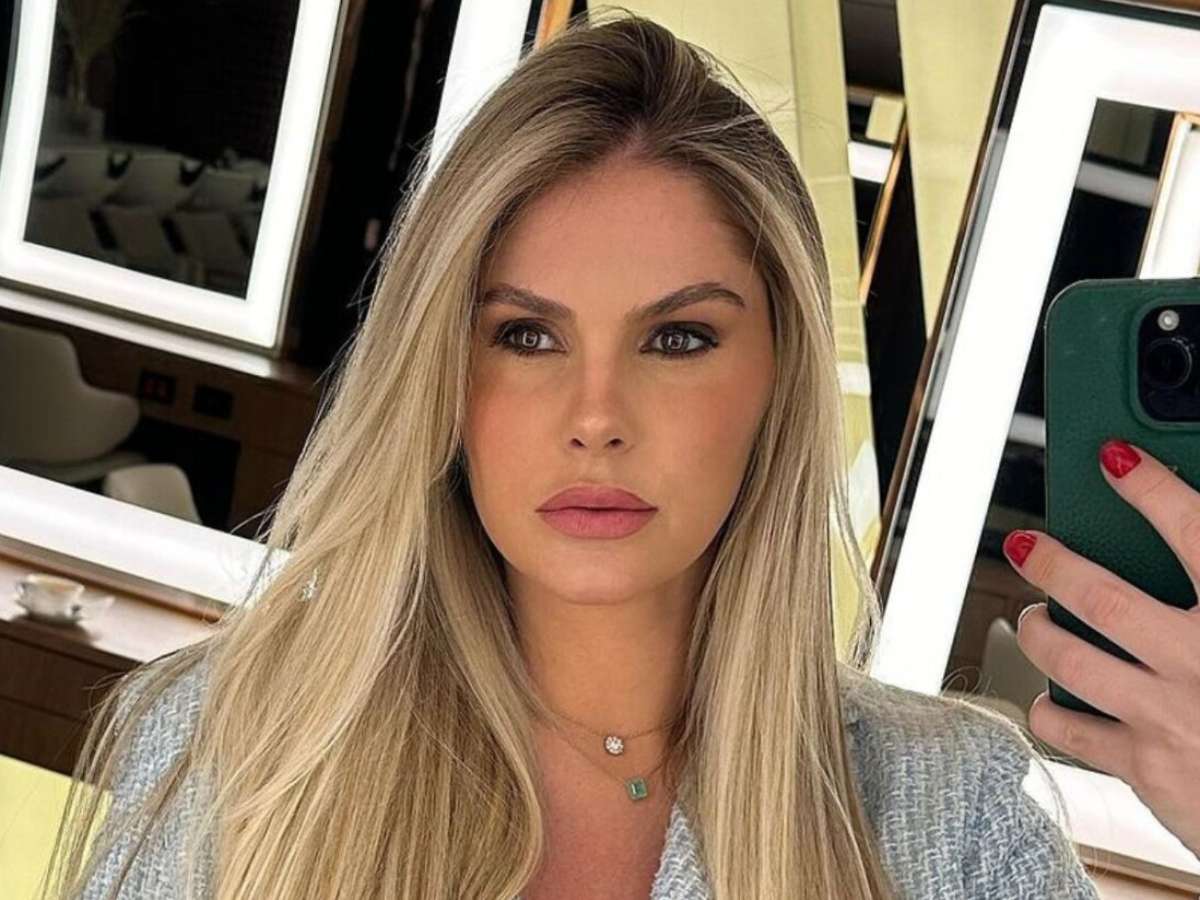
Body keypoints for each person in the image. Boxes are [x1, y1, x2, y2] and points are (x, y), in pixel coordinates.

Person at [45, 8, 1102, 899]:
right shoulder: (231, 746)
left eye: (676, 338)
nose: (597, 417)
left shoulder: (949, 815)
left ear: (777, 381)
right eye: (527, 335)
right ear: (441, 375)